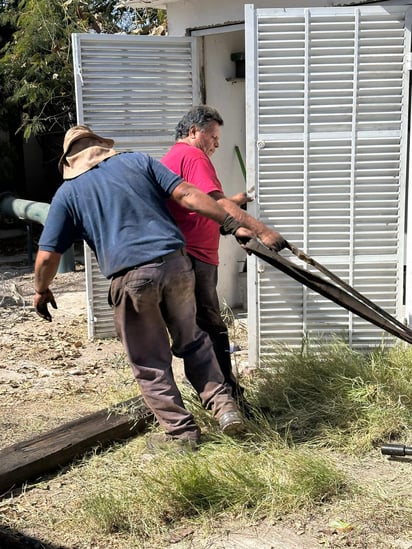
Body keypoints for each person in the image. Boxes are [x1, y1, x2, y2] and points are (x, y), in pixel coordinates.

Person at [33, 124, 259, 452]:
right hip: (177, 265)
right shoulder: (139, 161)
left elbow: (47, 256)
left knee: (150, 362)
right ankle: (225, 408)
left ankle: (182, 435)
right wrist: (230, 223)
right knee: (194, 342)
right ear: (102, 147)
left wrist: (41, 290)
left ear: (70, 162)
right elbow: (188, 195)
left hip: (132, 280)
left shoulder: (68, 194)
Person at [161, 105, 285, 405]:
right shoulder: (192, 155)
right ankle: (227, 400)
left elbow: (202, 206)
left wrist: (235, 215)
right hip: (193, 258)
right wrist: (261, 231)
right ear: (194, 132)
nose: (217, 144)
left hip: (190, 256)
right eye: (213, 137)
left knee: (203, 328)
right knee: (211, 330)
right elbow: (216, 202)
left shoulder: (176, 157)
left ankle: (224, 396)